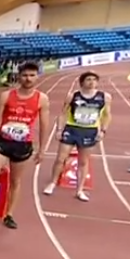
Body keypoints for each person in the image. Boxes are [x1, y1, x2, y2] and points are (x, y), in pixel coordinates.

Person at [0, 62, 51, 229]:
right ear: (19, 76)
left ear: (37, 76)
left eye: (32, 75)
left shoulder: (42, 99)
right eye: (25, 75)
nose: (28, 78)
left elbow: (45, 125)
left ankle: (8, 214)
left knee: (15, 181)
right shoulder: (6, 96)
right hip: (2, 142)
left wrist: (42, 149)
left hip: (23, 145)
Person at [44, 71, 110, 200]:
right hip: (72, 129)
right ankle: (52, 183)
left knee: (83, 162)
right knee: (60, 159)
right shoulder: (72, 96)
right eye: (88, 80)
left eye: (94, 80)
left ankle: (79, 190)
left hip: (89, 131)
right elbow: (62, 113)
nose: (91, 82)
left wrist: (103, 131)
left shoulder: (105, 97)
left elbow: (107, 115)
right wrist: (59, 129)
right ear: (82, 82)